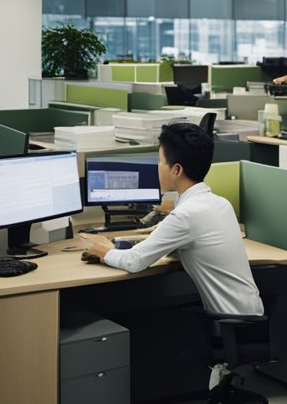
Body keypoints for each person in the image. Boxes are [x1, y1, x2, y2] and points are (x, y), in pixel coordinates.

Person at [81, 122, 263, 317]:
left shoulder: (185, 215)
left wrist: (103, 250)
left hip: (232, 324)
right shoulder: (220, 204)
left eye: (160, 161)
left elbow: (133, 262)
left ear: (176, 170)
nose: (157, 167)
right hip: (252, 314)